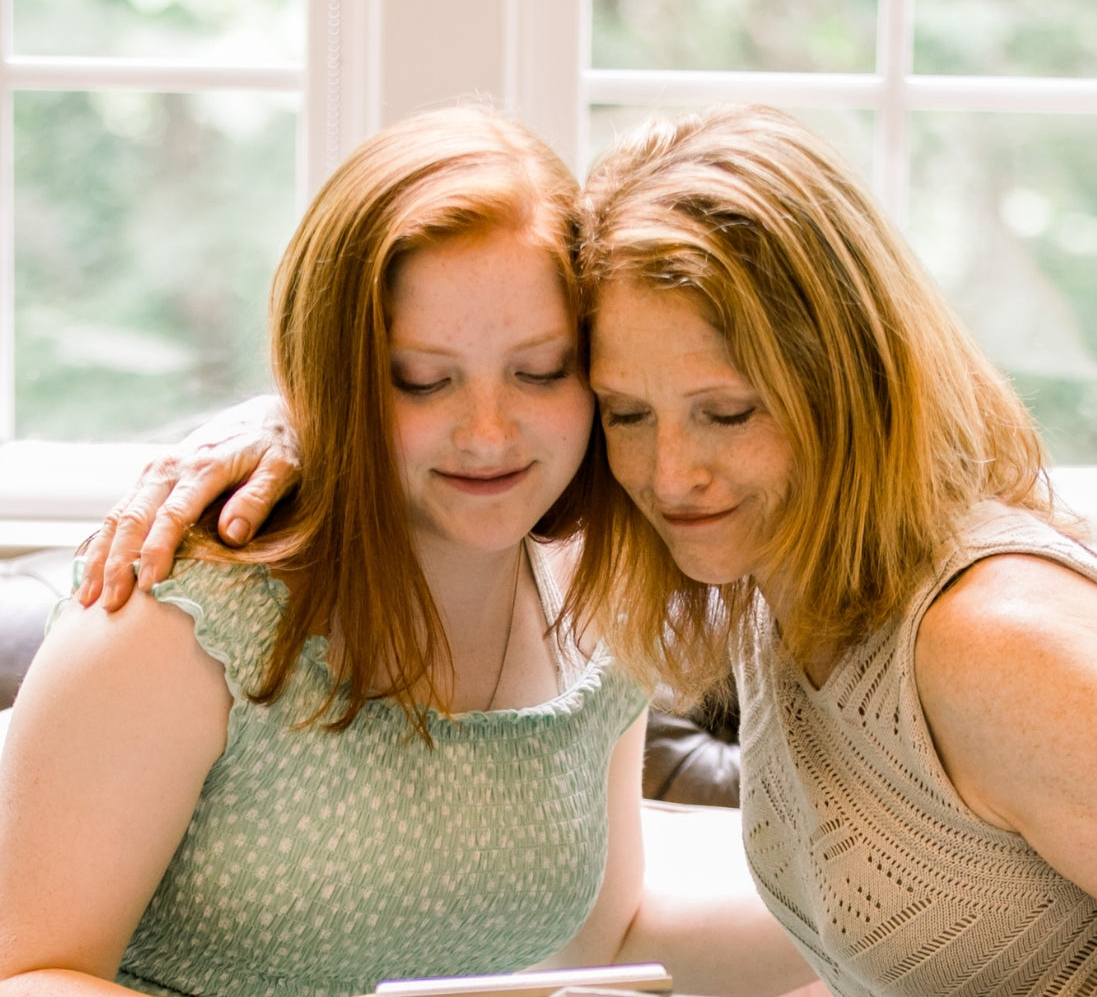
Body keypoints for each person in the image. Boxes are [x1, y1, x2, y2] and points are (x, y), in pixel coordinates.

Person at [76, 103, 1097, 992]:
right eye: (626, 411)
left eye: (730, 410)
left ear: (849, 384)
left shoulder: (992, 642)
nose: (671, 477)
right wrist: (307, 423)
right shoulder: (770, 584)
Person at [0, 103, 816, 997]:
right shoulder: (176, 624)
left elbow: (607, 935)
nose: (488, 432)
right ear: (337, 381)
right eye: (423, 381)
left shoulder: (596, 600)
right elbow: (27, 973)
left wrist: (915, 931)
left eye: (540, 371)